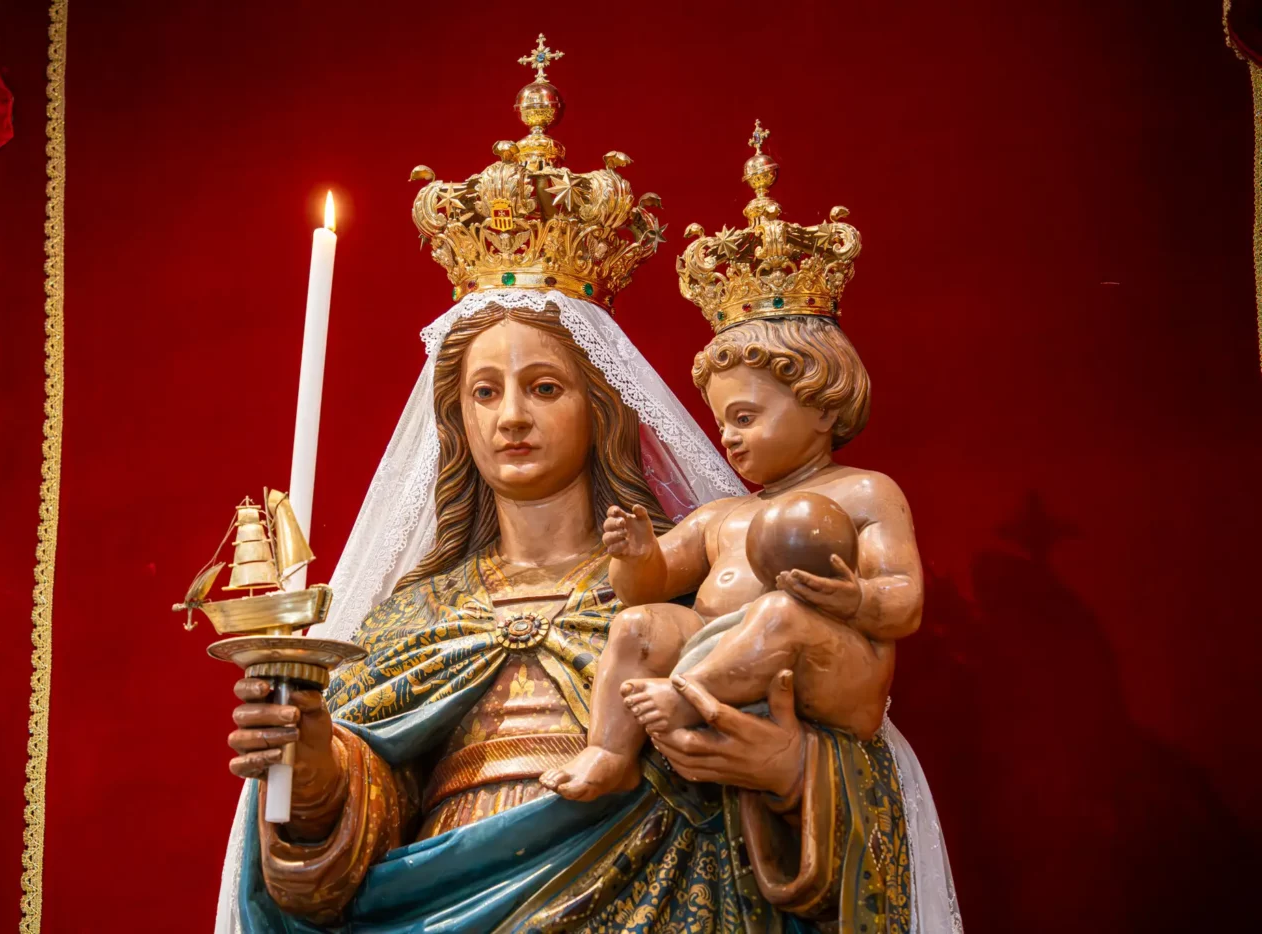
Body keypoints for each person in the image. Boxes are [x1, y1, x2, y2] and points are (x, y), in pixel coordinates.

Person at [214, 62, 959, 934]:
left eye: (544, 388)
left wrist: (790, 768)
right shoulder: (414, 617)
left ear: (600, 407)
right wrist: (311, 771)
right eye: (484, 393)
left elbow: (856, 747)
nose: (511, 417)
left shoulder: (688, 588)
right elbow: (338, 859)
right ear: (454, 420)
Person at [541, 311, 922, 801]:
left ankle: (686, 697)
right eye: (722, 424)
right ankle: (609, 751)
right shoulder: (722, 515)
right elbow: (642, 591)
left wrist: (857, 599)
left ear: (823, 410)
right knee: (640, 625)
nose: (727, 437)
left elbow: (904, 598)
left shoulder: (864, 491)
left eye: (744, 418)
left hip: (826, 665)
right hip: (722, 647)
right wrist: (638, 556)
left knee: (779, 611)